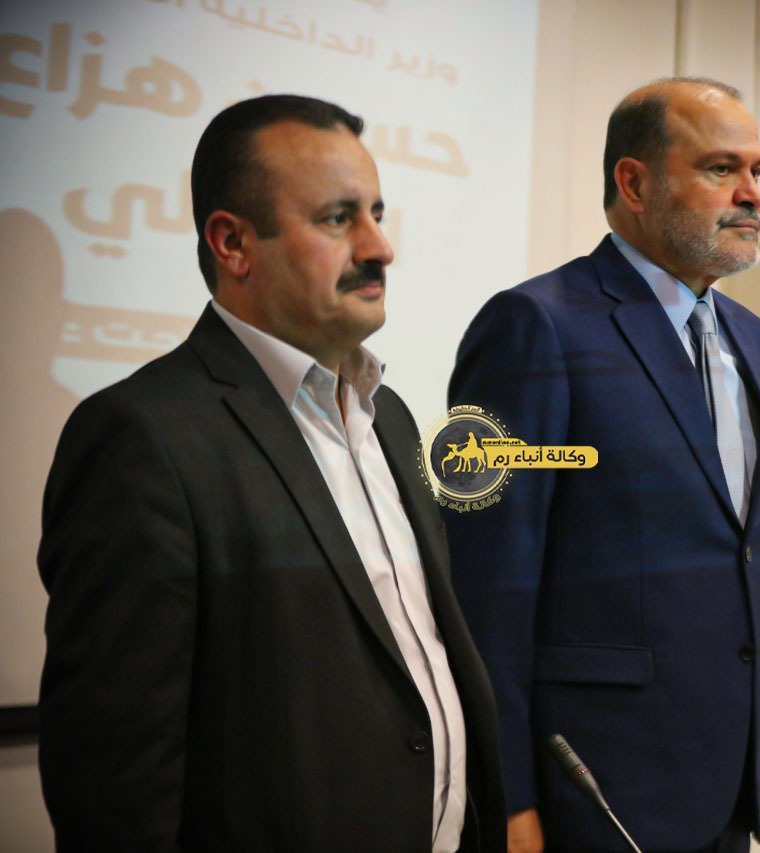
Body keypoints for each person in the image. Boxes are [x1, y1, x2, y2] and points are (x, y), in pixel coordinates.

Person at [37, 94, 505, 852]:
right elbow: (112, 784)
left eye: (377, 212)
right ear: (233, 243)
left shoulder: (388, 417)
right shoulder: (142, 439)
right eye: (338, 218)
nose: (380, 246)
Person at [445, 78, 760, 853]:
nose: (751, 194)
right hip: (590, 791)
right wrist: (508, 798)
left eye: (757, 170)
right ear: (634, 182)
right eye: (720, 168)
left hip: (725, 785)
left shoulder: (756, 341)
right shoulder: (535, 326)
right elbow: (486, 589)